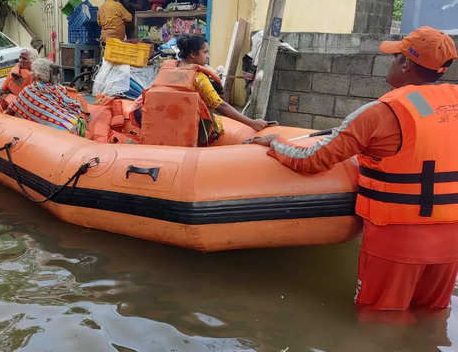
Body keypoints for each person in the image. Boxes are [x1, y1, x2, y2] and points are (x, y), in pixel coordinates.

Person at [251, 26, 458, 311]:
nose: (390, 62)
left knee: (380, 321)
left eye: (394, 57)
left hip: (397, 240)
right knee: (432, 315)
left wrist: (275, 143)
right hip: (451, 242)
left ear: (407, 63)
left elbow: (312, 160)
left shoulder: (381, 113)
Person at [133, 34, 269, 146]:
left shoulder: (168, 69)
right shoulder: (198, 77)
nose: (207, 56)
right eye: (205, 52)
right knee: (216, 123)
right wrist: (252, 123)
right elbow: (220, 106)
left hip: (164, 127)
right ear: (192, 54)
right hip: (187, 131)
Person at [7, 58, 89, 136]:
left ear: (37, 75)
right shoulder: (58, 87)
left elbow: (13, 109)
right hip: (78, 125)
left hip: (63, 132)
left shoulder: (29, 91)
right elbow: (70, 104)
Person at [0, 48, 38, 113]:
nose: (20, 60)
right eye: (20, 57)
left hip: (22, 108)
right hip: (9, 103)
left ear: (33, 61)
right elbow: (3, 90)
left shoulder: (37, 76)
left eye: (24, 59)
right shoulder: (15, 71)